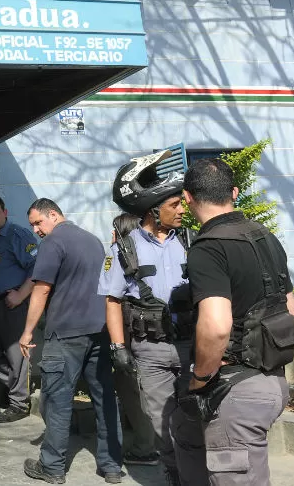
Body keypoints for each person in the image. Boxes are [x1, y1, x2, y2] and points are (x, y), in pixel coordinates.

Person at [173, 158, 294, 485]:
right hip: (272, 381)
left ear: (188, 198)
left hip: (234, 388)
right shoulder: (266, 237)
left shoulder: (208, 247)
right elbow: (290, 310)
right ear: (235, 192)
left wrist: (200, 380)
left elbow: (216, 326)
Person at [99, 151, 195, 481]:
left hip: (190, 346)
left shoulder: (191, 241)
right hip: (150, 351)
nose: (182, 209)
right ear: (154, 210)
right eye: (174, 205)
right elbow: (112, 301)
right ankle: (175, 474)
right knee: (161, 422)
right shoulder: (123, 249)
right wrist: (118, 348)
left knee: (195, 417)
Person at [19, 199, 123, 484]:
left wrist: (27, 332)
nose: (36, 230)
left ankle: (52, 467)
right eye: (32, 225)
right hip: (98, 330)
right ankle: (112, 466)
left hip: (65, 334)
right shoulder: (91, 240)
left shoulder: (53, 243)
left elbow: (41, 290)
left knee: (56, 400)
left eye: (38, 222)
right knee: (104, 398)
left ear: (53, 215)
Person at [0, 195, 38, 422]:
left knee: (16, 354)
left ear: (5, 212)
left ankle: (19, 404)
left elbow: (37, 267)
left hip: (12, 303)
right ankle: (17, 385)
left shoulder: (17, 235)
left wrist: (21, 295)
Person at [102, 212, 158, 469]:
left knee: (129, 386)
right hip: (154, 326)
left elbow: (109, 295)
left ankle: (144, 447)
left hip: (126, 323)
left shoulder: (118, 252)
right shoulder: (153, 247)